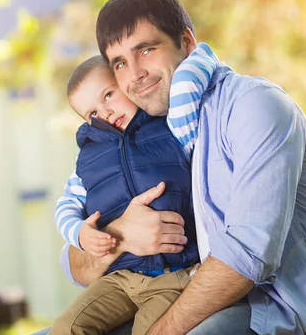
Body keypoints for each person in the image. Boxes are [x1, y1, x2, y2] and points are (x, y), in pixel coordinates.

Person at [45, 0, 306, 335]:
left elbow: (247, 255)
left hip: (273, 312)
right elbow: (75, 266)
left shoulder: (255, 106)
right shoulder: (143, 131)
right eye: (121, 63)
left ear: (187, 42)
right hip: (177, 295)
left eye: (147, 49)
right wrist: (120, 236)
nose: (135, 73)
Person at [50, 47, 218, 335]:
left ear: (126, 82)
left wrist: (199, 52)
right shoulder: (88, 160)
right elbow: (66, 206)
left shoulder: (170, 126)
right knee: (67, 328)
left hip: (172, 276)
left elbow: (190, 77)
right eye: (92, 113)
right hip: (118, 278)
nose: (106, 112)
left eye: (108, 95)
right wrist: (79, 233)